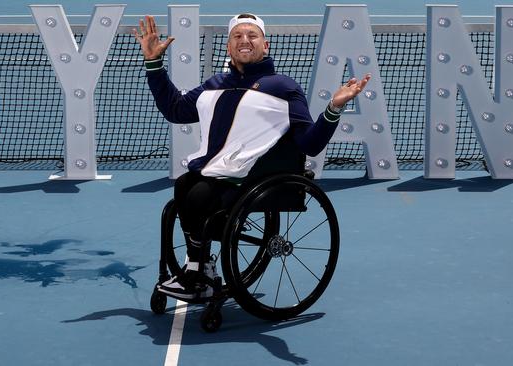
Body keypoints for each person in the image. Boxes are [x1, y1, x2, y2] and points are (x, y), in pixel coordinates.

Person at [134, 13, 370, 301]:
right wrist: (154, 65)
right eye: (237, 36)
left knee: (195, 194)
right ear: (228, 47)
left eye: (252, 35)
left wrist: (333, 108)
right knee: (185, 185)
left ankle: (198, 273)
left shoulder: (283, 88)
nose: (244, 40)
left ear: (265, 45)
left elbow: (311, 144)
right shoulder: (214, 85)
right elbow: (176, 110)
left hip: (252, 180)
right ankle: (200, 270)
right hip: (211, 175)